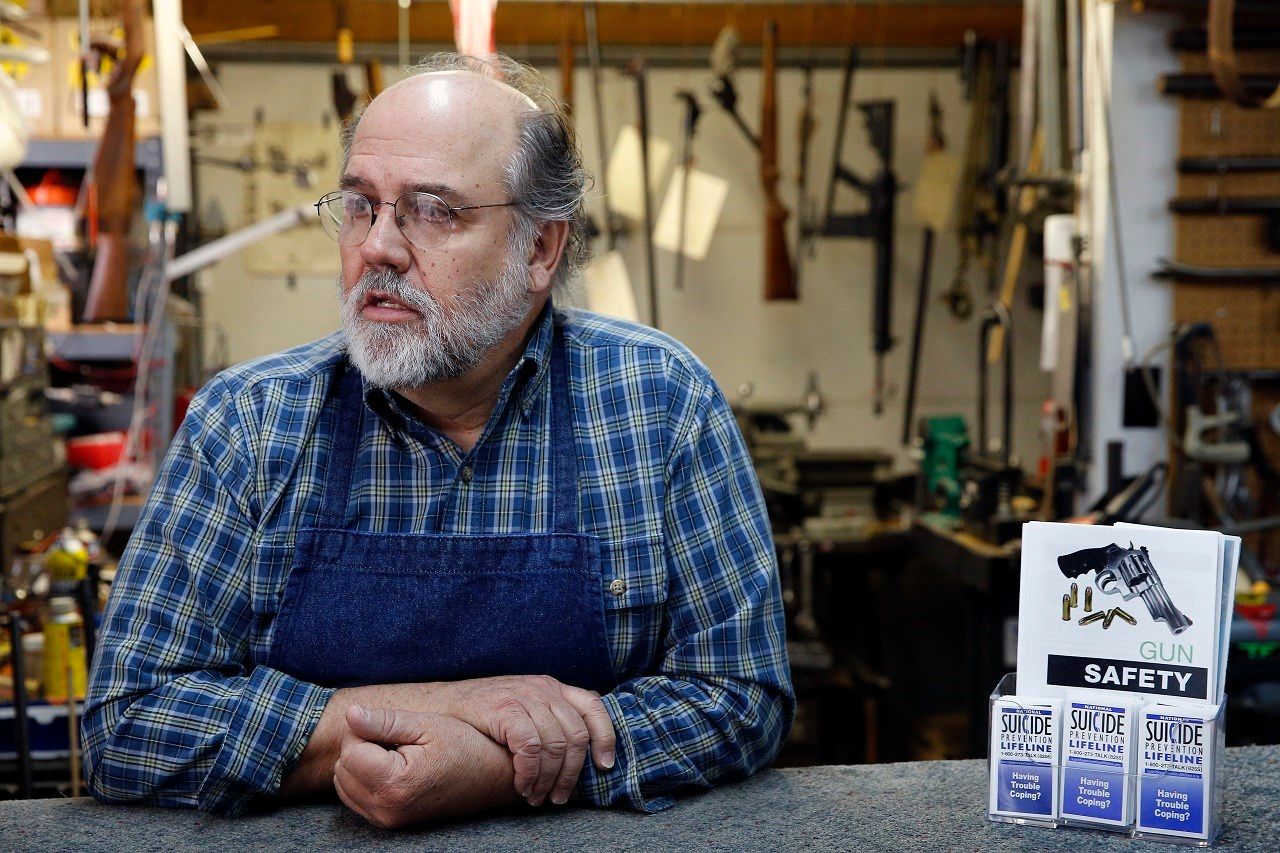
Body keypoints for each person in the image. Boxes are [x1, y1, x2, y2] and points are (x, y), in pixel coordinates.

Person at [82, 53, 793, 829]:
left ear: (541, 249)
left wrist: (496, 766)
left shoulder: (658, 404)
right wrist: (445, 708)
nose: (378, 247)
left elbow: (740, 692)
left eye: (434, 211)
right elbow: (127, 721)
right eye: (360, 206)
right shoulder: (248, 423)